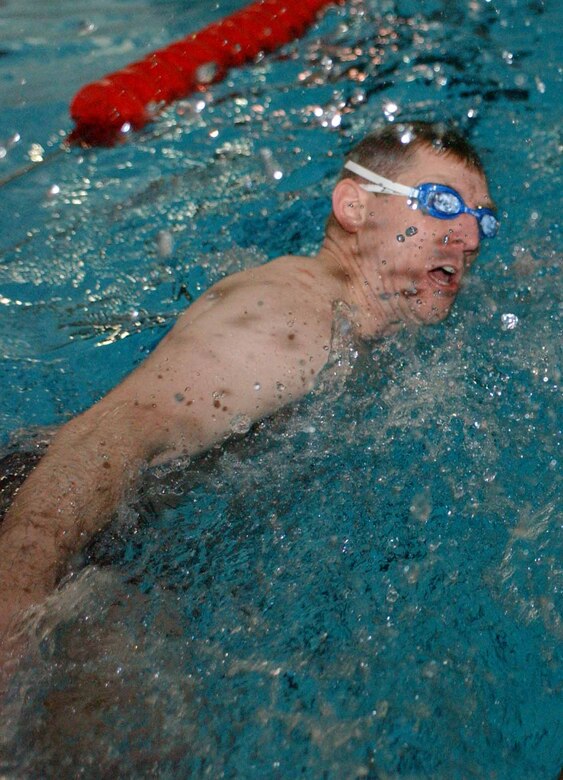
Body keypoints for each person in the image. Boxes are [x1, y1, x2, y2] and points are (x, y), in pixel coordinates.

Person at [0, 121, 498, 647]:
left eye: (482, 220)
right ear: (354, 207)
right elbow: (108, 438)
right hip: (39, 523)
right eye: (442, 203)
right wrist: (15, 607)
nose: (468, 239)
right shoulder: (294, 317)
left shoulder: (368, 329)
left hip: (113, 537)